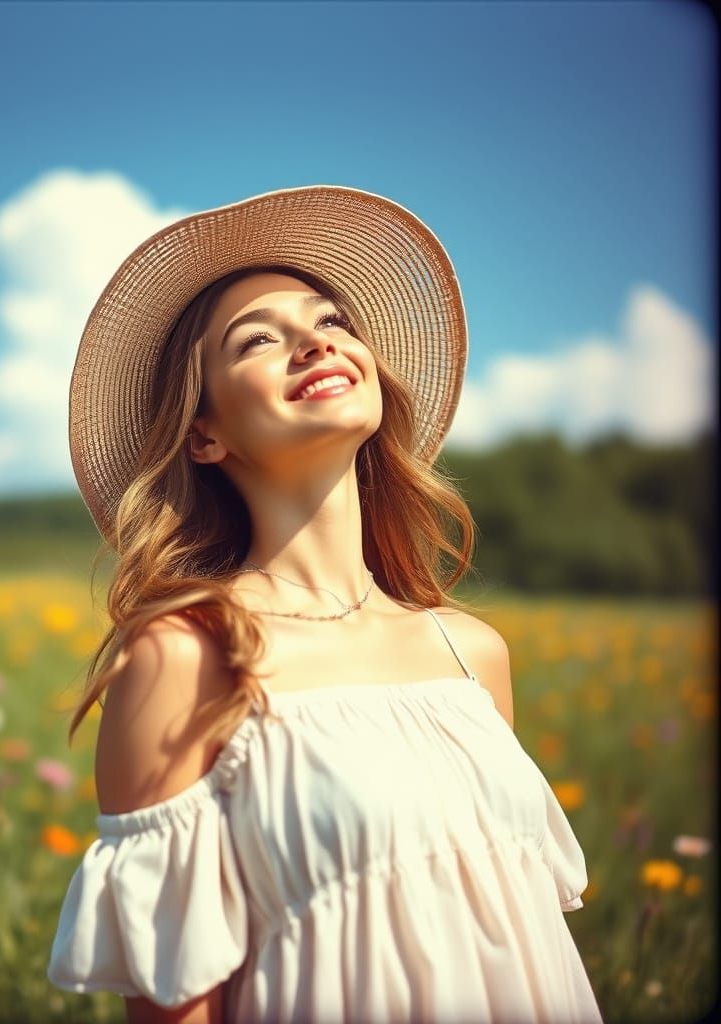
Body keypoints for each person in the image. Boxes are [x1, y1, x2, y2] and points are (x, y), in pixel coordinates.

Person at [47, 185, 603, 1023]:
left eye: (333, 320)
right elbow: (176, 1008)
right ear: (205, 434)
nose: (315, 341)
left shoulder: (471, 654)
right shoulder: (186, 656)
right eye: (259, 340)